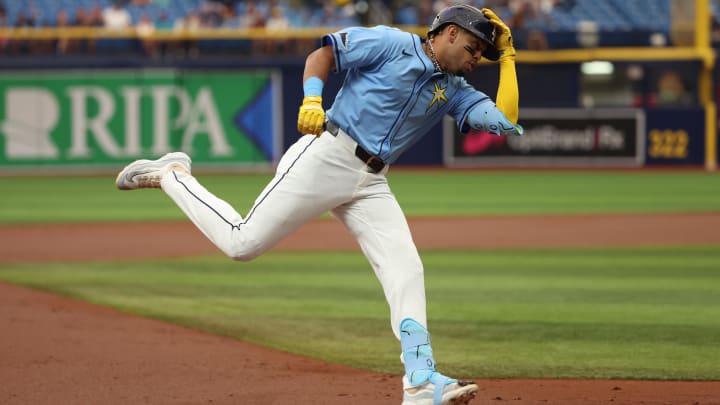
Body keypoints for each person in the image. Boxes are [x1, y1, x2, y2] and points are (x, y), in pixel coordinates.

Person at [115, 5, 522, 404]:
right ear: (449, 33)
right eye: (473, 49)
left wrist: (507, 56)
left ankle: (419, 381)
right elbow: (323, 54)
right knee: (242, 244)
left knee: (406, 269)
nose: (474, 61)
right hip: (328, 154)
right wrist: (312, 100)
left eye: (481, 56)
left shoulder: (454, 89)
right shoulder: (391, 42)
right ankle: (173, 175)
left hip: (371, 181)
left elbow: (505, 121)